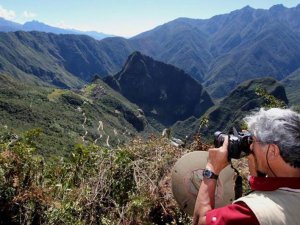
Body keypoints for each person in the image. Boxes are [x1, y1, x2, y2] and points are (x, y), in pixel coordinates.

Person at [193, 108, 300, 225]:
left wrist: (211, 168)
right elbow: (274, 194)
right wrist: (257, 172)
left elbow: (200, 221)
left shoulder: (250, 213)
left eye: (254, 141)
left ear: (272, 151)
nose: (251, 147)